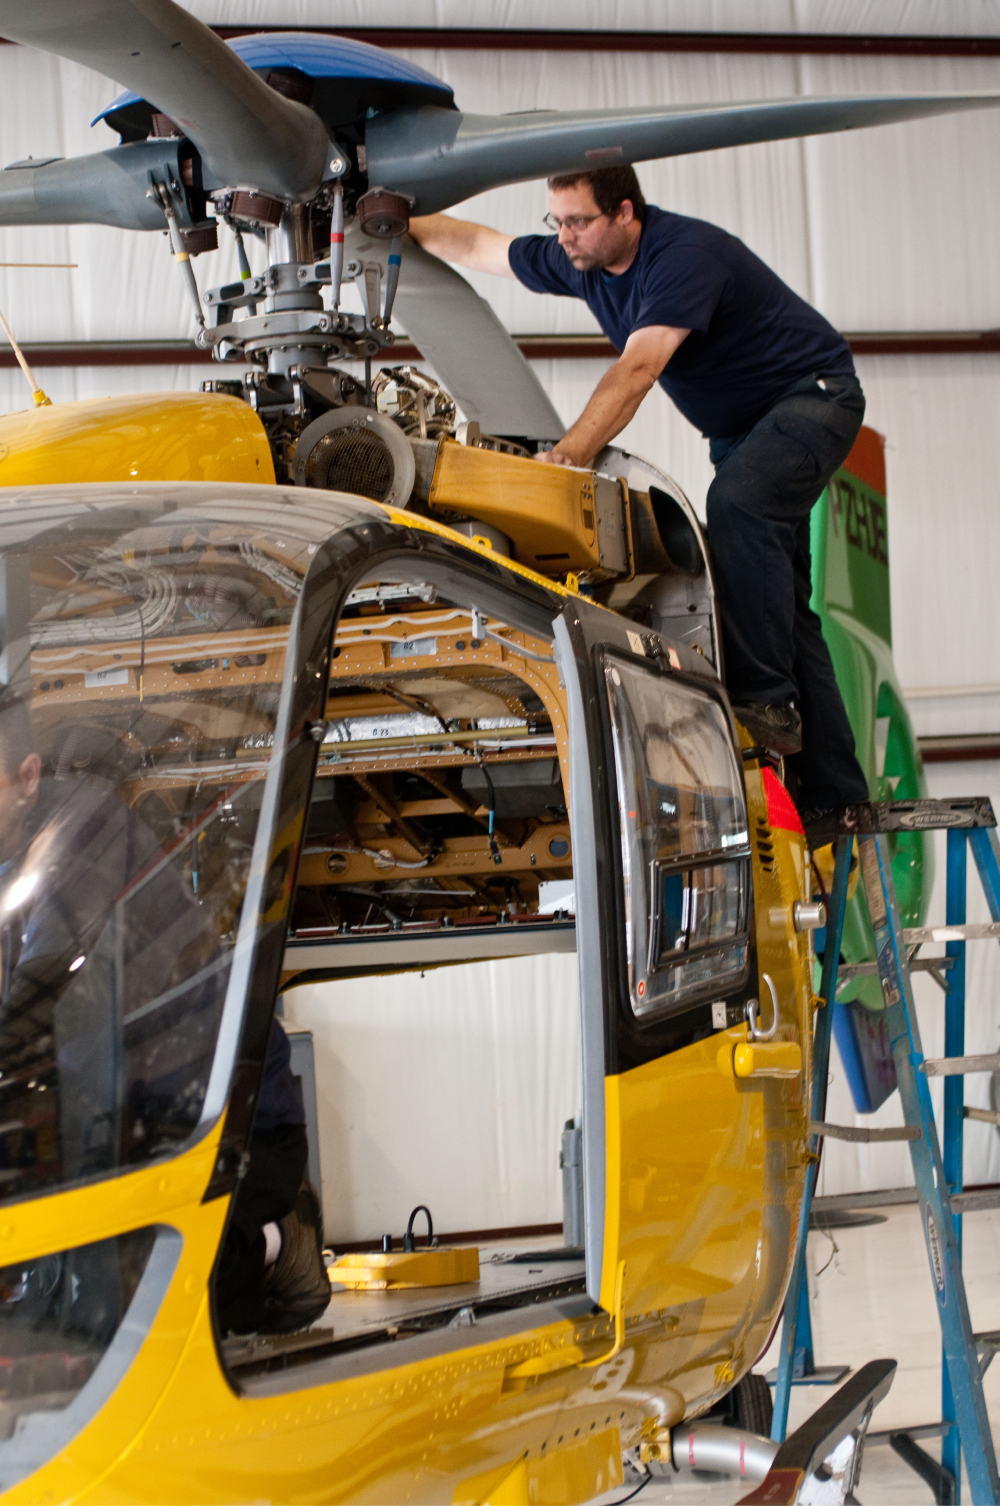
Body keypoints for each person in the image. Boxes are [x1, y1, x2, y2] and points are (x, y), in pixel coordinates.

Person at [410, 166, 870, 839]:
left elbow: (638, 370)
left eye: (578, 221)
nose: (564, 236)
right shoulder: (583, 260)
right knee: (783, 603)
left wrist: (565, 457)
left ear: (625, 213)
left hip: (812, 400)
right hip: (741, 432)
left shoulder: (682, 259)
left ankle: (768, 704)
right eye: (556, 221)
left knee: (739, 509)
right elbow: (481, 246)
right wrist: (398, 221)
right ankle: (836, 794)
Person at [0, 694, 328, 1335]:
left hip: (227, 1127)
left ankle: (277, 1240)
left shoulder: (80, 833)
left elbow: (44, 992)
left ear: (29, 778)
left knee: (132, 1297)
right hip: (117, 1122)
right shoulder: (11, 865)